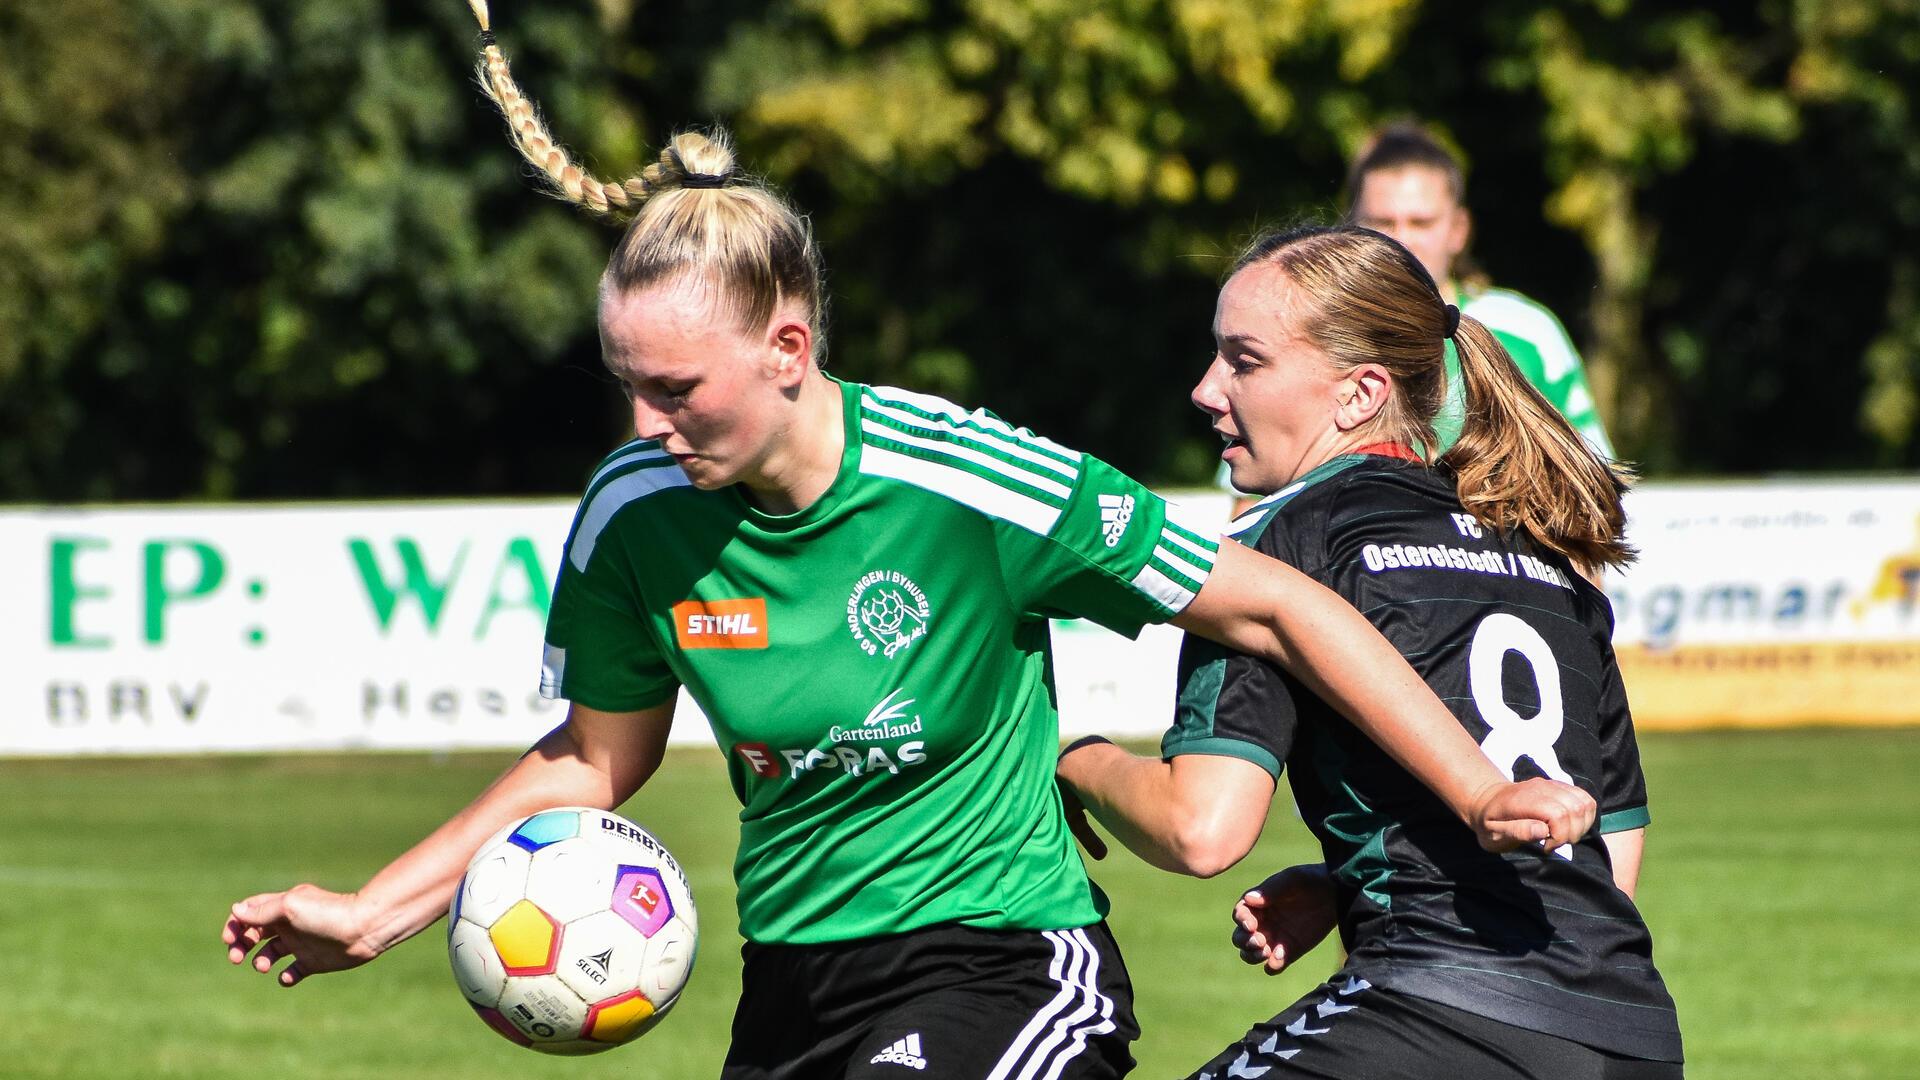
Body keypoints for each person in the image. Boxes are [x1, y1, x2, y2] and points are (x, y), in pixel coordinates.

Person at [219, 8, 1596, 1079]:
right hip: (794, 986)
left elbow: (1284, 608)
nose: (645, 421)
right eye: (625, 385)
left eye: (679, 390)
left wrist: (1481, 797)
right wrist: (380, 909)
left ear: (788, 350)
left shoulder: (966, 479)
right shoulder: (636, 516)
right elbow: (597, 755)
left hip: (1003, 966)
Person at [1058, 225, 1682, 1078]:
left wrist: (1071, 759)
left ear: (1359, 396)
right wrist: (1347, 879)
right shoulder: (1544, 555)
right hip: (1630, 1035)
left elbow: (1198, 829)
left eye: (1245, 361)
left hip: (1437, 1016)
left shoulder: (1283, 544)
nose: (1207, 391)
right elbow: (1609, 859)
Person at [1218, 122, 1612, 517]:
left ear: (1458, 230)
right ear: (1349, 227)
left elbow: (1588, 494)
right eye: (1382, 222)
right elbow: (1251, 507)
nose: (1401, 239)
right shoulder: (1303, 325)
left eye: (1421, 223)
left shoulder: (1529, 332)